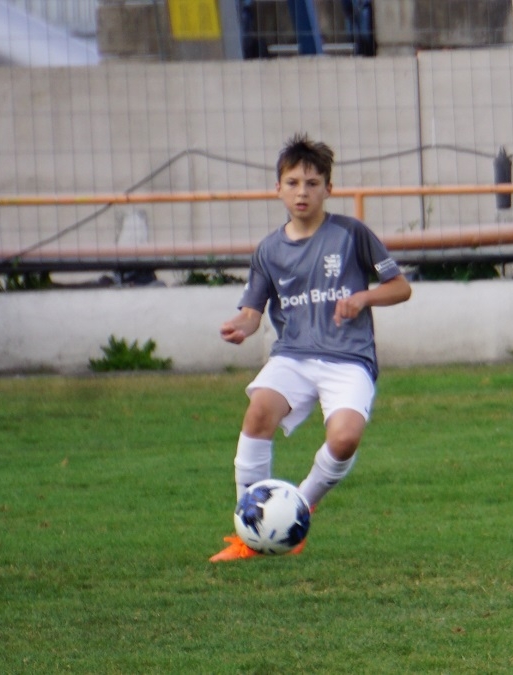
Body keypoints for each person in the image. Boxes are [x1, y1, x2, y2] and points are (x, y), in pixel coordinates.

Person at [209, 133, 412, 562]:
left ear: (328, 188)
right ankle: (249, 534)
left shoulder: (351, 234)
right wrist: (241, 326)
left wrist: (363, 297)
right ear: (278, 188)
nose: (302, 192)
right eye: (293, 183)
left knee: (345, 438)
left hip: (349, 357)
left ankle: (297, 512)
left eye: (312, 183)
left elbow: (400, 288)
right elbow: (252, 312)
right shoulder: (269, 250)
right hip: (293, 355)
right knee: (258, 411)